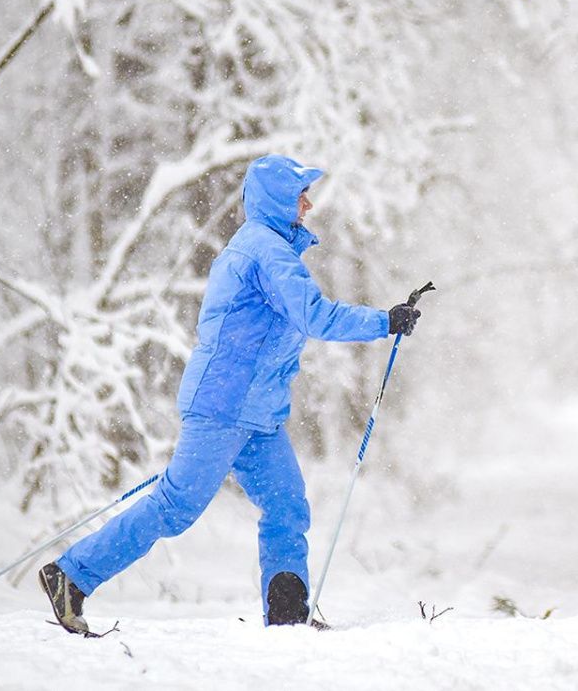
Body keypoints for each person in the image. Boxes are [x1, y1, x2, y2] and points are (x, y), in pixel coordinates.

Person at [37, 154, 421, 633]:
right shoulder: (265, 252)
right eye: (300, 193)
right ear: (278, 199)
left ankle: (286, 616)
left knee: (286, 506)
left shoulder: (266, 248)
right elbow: (313, 315)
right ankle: (70, 577)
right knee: (175, 507)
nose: (308, 203)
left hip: (257, 414)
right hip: (223, 407)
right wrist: (383, 321)